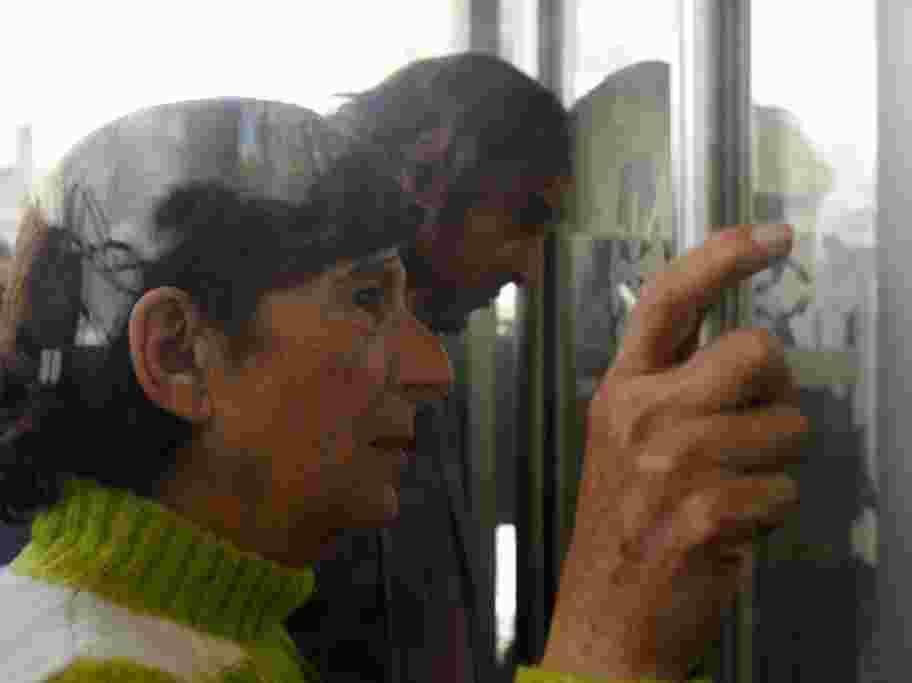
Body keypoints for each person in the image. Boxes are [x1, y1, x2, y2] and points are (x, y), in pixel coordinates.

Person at [0, 97, 805, 683]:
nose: (435, 368)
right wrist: (602, 652)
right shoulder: (102, 670)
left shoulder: (214, 630)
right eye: (365, 298)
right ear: (178, 355)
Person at [288, 52, 807, 683]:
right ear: (431, 175)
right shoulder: (296, 393)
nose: (529, 271)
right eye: (522, 220)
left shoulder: (441, 369)